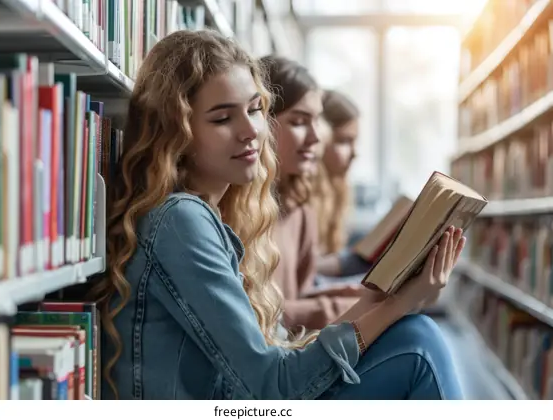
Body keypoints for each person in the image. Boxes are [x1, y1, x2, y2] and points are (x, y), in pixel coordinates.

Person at [93, 29, 466, 400]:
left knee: (414, 335)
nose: (250, 132)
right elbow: (274, 389)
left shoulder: (213, 215)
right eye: (223, 119)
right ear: (179, 132)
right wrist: (399, 305)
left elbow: (281, 354)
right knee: (418, 343)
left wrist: (389, 299)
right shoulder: (180, 221)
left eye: (255, 109)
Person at [261, 56, 370, 330]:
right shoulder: (241, 207)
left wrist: (365, 298)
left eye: (317, 123)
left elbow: (303, 291)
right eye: (298, 121)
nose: (317, 138)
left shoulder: (299, 206)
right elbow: (265, 317)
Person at [312, 90, 372, 280]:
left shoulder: (337, 189)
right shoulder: (299, 195)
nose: (354, 153)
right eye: (344, 141)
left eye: (355, 142)